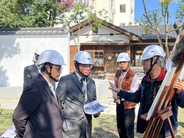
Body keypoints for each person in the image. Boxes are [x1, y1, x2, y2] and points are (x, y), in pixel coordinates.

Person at [109, 45, 184, 138]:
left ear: (155, 62)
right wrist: (119, 91)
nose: (143, 64)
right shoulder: (145, 80)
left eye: (145, 61)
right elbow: (135, 97)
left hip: (166, 129)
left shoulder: (169, 80)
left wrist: (179, 92)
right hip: (150, 126)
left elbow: (183, 103)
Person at [13, 50, 66, 138]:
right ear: (48, 67)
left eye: (61, 68)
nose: (60, 71)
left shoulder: (50, 85)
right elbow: (18, 117)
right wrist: (27, 135)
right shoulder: (35, 87)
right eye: (58, 68)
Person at [56, 51, 102, 138]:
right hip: (70, 129)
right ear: (76, 65)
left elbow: (93, 102)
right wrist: (65, 120)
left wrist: (96, 111)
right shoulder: (65, 80)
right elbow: (57, 104)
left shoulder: (91, 82)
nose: (88, 68)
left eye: (89, 65)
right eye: (85, 65)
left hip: (86, 129)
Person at [112, 53, 139, 138]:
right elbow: (113, 85)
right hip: (119, 104)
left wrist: (119, 96)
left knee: (128, 130)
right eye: (120, 62)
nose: (122, 64)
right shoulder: (117, 73)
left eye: (124, 62)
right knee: (120, 127)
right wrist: (115, 96)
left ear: (128, 62)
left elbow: (133, 92)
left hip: (129, 106)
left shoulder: (134, 75)